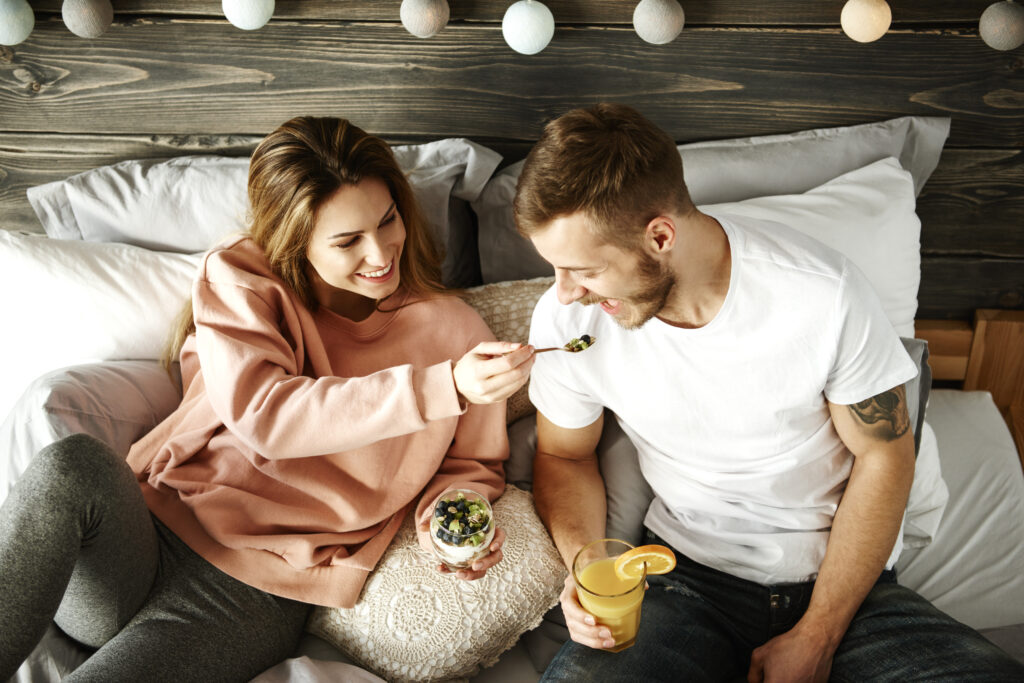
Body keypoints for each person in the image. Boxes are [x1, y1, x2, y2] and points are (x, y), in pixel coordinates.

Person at [0, 115, 535, 682]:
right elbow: (268, 417)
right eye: (347, 241)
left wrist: (451, 526)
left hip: (251, 592)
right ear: (296, 241)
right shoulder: (242, 276)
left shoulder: (457, 335)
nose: (381, 253)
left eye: (388, 220)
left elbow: (471, 466)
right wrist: (439, 387)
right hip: (147, 530)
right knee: (71, 464)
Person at [515, 103, 1024, 682]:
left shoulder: (820, 294)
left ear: (659, 236)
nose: (564, 293)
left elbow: (885, 454)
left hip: (841, 586)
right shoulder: (571, 323)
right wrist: (588, 570)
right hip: (681, 581)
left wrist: (819, 634)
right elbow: (564, 454)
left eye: (584, 270)